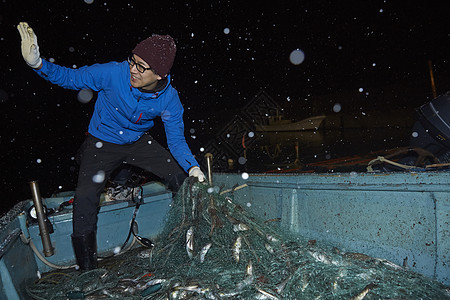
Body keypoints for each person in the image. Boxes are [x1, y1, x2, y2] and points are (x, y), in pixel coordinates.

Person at [17, 22, 206, 271]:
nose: (133, 70)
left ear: (159, 75)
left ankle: (191, 242)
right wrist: (37, 63)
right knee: (84, 199)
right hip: (101, 143)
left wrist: (193, 167)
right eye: (132, 60)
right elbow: (70, 77)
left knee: (181, 180)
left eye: (141, 66)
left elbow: (176, 140)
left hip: (138, 142)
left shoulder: (170, 99)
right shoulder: (113, 73)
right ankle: (87, 270)